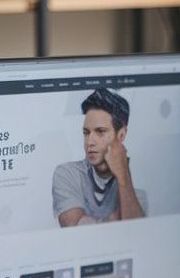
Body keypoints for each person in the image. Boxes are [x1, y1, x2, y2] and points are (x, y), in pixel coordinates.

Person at [53, 88, 147, 227]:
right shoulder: (67, 173)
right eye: (86, 133)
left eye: (100, 132)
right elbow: (75, 227)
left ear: (121, 135)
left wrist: (123, 177)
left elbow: (136, 233)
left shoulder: (141, 183)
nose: (89, 142)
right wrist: (116, 220)